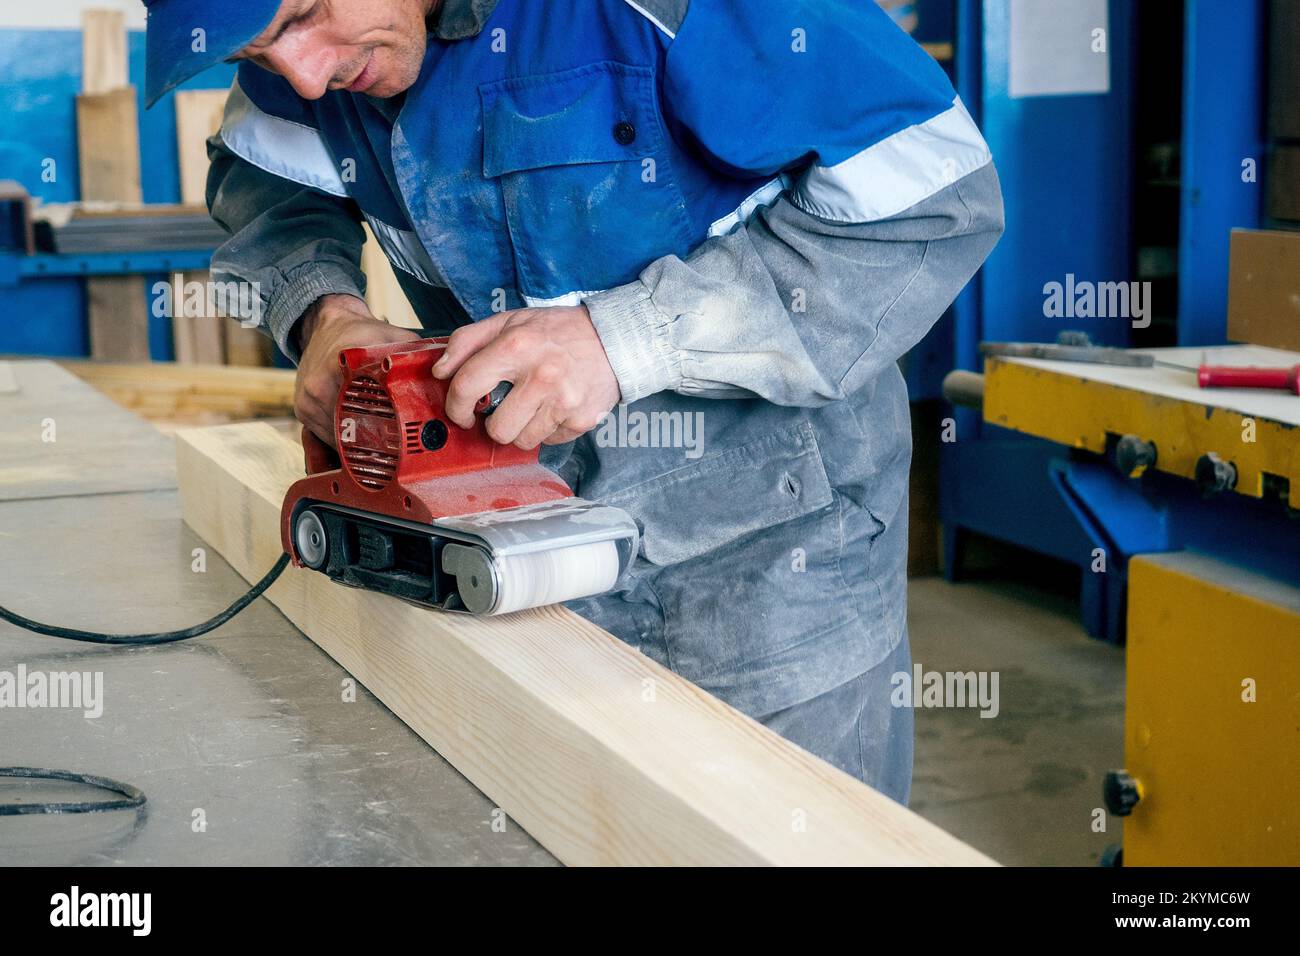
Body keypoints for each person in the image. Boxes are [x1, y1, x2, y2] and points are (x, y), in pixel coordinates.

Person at [142, 0, 1005, 802]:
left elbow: (937, 203)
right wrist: (321, 308)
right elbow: (264, 172)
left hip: (770, 583)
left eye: (304, 14)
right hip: (515, 564)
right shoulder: (304, 57)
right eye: (254, 48)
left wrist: (627, 338)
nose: (301, 72)